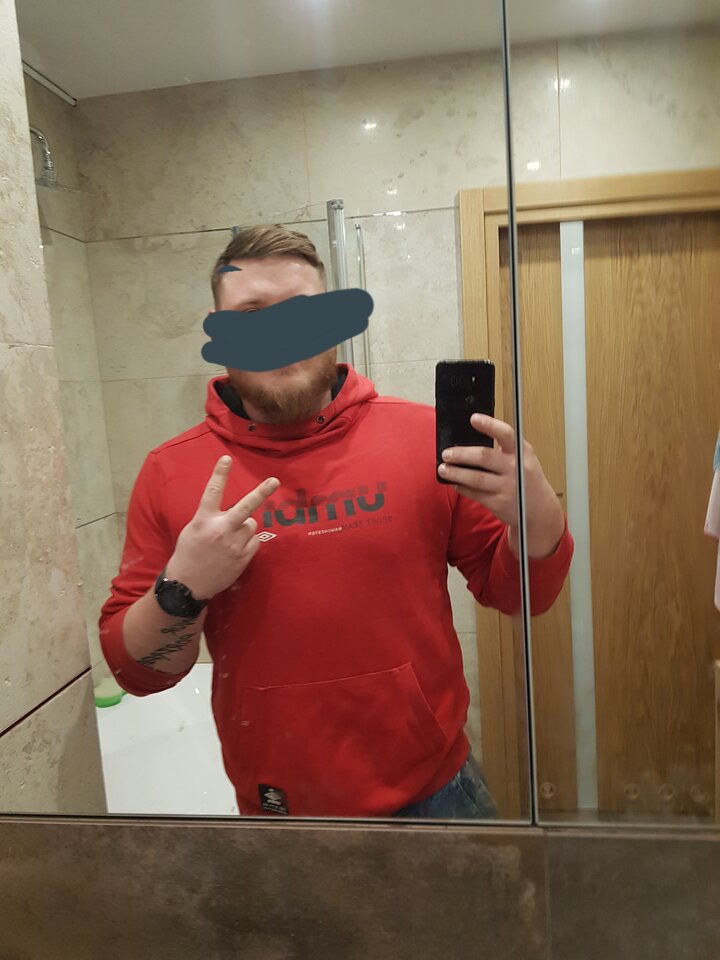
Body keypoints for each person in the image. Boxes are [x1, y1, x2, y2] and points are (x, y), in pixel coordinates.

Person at [99, 224, 573, 820]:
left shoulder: (418, 438)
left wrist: (538, 516)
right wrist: (183, 589)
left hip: (436, 791)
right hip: (278, 807)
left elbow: (521, 596)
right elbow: (137, 675)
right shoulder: (170, 471)